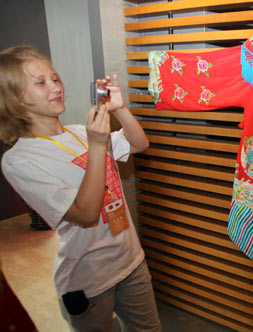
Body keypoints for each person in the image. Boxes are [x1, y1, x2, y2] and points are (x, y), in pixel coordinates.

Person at [0, 45, 161, 332]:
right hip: (89, 280)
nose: (55, 87)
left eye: (55, 78)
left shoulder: (78, 132)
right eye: (40, 82)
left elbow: (138, 144)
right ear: (14, 100)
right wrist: (97, 146)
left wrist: (120, 110)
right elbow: (85, 213)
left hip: (131, 261)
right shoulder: (19, 160)